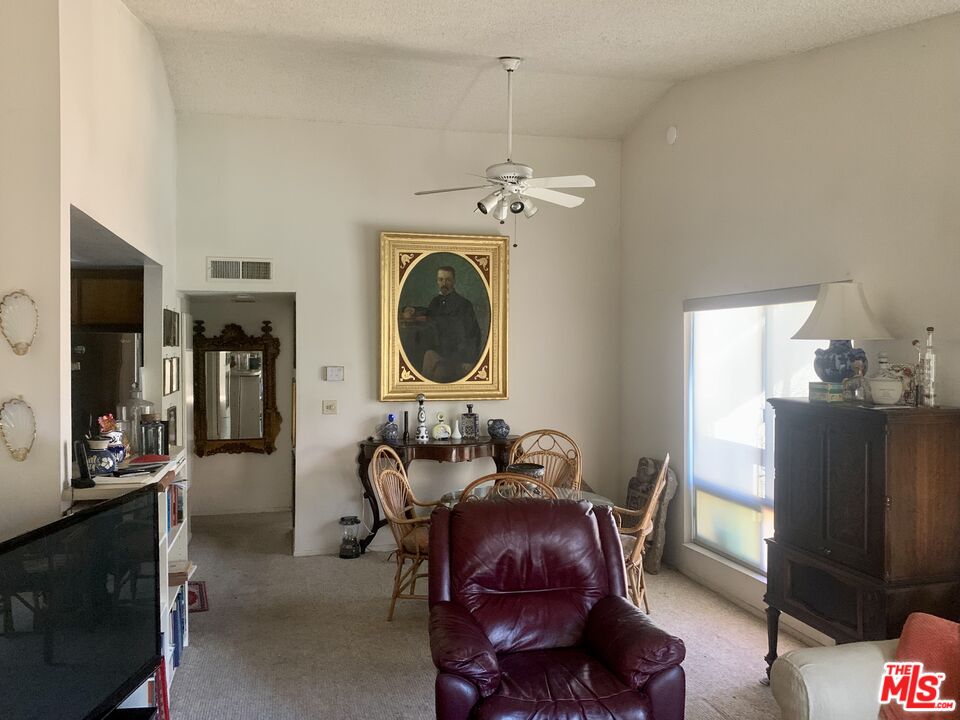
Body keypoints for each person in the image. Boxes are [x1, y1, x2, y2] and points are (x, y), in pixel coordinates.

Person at [401, 266, 482, 382]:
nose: (444, 283)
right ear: (437, 281)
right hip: (442, 352)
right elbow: (430, 313)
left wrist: (468, 360)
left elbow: (474, 334)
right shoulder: (436, 301)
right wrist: (412, 310)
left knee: (437, 369)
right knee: (428, 356)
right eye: (441, 279)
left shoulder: (464, 305)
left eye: (448, 280)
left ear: (454, 281)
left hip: (459, 357)